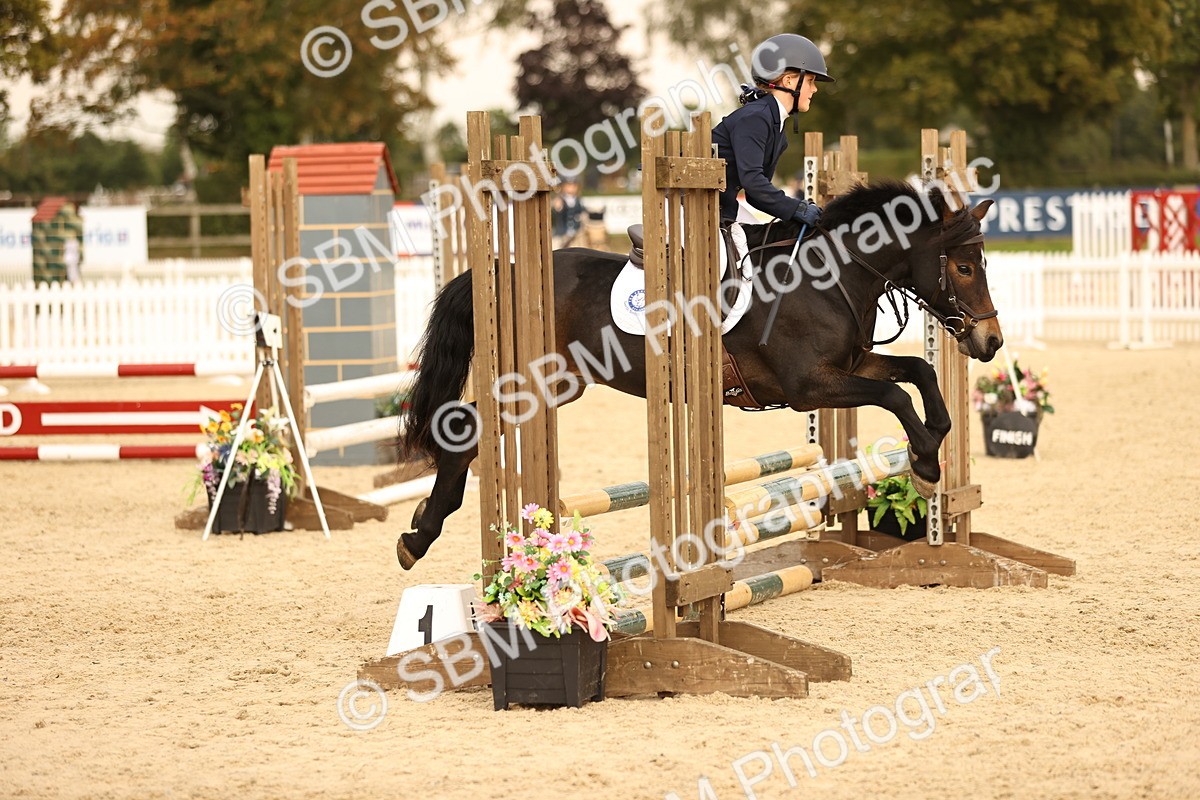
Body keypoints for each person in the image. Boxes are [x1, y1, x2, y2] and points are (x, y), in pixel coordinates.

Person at [712, 33, 834, 227]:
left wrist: (798, 208)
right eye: (810, 81)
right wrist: (797, 208)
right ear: (788, 81)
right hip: (688, 204)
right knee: (744, 245)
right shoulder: (756, 118)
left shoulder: (777, 128)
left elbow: (756, 196)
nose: (814, 89)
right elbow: (752, 181)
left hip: (719, 207)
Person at [551, 179, 585, 248]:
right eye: (569, 185)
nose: (571, 188)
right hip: (562, 234)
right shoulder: (559, 199)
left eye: (573, 186)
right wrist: (557, 207)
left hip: (576, 234)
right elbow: (555, 212)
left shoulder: (578, 200)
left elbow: (583, 212)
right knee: (555, 248)